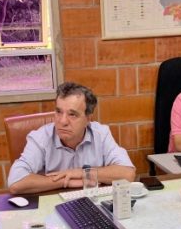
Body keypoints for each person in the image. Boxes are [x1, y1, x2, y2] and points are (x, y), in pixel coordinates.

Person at [8, 82, 136, 194]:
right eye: (59, 112)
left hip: (91, 203)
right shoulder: (41, 137)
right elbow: (15, 182)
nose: (62, 121)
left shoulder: (101, 134)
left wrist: (82, 173)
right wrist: (65, 181)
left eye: (72, 114)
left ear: (88, 119)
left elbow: (128, 174)